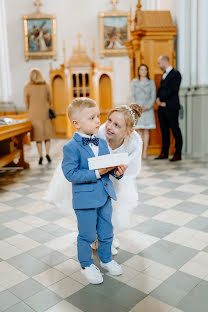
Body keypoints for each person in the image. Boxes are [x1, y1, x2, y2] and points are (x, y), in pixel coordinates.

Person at [44, 103, 143, 255]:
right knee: (91, 203)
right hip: (89, 174)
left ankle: (107, 236)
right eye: (109, 120)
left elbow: (132, 170)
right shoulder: (98, 131)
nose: (109, 126)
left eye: (117, 125)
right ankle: (94, 236)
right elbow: (83, 153)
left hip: (115, 178)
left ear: (128, 132)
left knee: (111, 208)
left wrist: (120, 172)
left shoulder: (134, 143)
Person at [62, 97, 127, 285]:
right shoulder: (71, 147)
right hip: (85, 201)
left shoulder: (102, 143)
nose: (98, 121)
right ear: (76, 123)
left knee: (107, 231)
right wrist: (97, 173)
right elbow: (71, 174)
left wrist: (118, 172)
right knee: (87, 235)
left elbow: (108, 167)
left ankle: (106, 259)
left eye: (98, 116)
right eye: (92, 118)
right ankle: (86, 265)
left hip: (105, 196)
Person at [24, 68, 54, 165]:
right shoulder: (46, 85)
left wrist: (30, 108)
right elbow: (50, 99)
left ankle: (40, 155)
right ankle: (48, 154)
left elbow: (26, 102)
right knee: (47, 135)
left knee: (38, 136)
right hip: (45, 112)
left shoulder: (27, 86)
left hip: (33, 113)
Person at [156, 55, 183, 161]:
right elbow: (161, 89)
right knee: (164, 130)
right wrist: (158, 99)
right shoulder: (164, 75)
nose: (158, 65)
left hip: (171, 106)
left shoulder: (176, 74)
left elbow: (173, 89)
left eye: (159, 63)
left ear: (165, 61)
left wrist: (162, 99)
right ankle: (164, 152)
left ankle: (178, 153)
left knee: (175, 130)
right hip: (162, 107)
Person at [130, 64, 156, 159]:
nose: (143, 71)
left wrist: (147, 106)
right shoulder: (134, 82)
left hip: (148, 110)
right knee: (139, 132)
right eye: (141, 69)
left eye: (145, 69)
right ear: (138, 71)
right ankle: (139, 152)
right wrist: (138, 107)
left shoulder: (151, 82)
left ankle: (145, 151)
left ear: (147, 71)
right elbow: (132, 96)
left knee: (146, 131)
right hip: (138, 110)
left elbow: (153, 96)